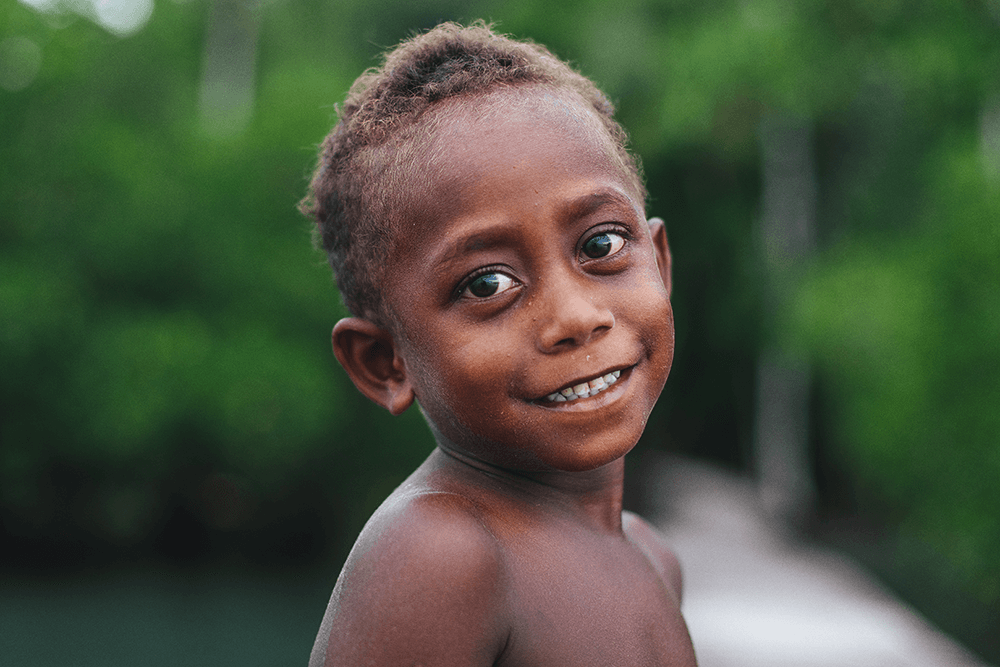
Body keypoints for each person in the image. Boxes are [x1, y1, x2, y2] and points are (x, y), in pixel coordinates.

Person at [300, 21, 697, 666]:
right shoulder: (442, 555)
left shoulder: (654, 557)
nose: (574, 316)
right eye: (488, 284)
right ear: (385, 363)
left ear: (659, 263)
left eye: (601, 245)